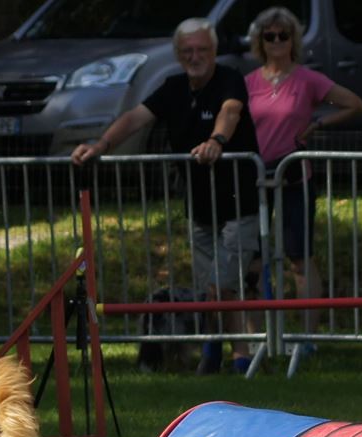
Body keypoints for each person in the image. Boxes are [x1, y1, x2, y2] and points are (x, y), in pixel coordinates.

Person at [72, 19, 260, 375]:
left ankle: (238, 355)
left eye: (202, 50)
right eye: (187, 51)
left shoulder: (229, 78)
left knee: (225, 285)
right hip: (199, 205)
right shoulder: (172, 87)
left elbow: (230, 111)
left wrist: (216, 141)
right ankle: (217, 354)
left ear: (214, 51)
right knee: (210, 291)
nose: (195, 57)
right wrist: (101, 145)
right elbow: (134, 118)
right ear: (177, 54)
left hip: (239, 201)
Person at [242, 5, 362, 359]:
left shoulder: (308, 80)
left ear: (293, 40)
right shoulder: (249, 82)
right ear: (260, 41)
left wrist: (319, 125)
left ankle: (308, 337)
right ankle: (255, 337)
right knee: (252, 259)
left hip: (295, 174)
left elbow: (355, 104)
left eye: (283, 35)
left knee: (300, 256)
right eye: (270, 36)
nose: (277, 41)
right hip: (255, 177)